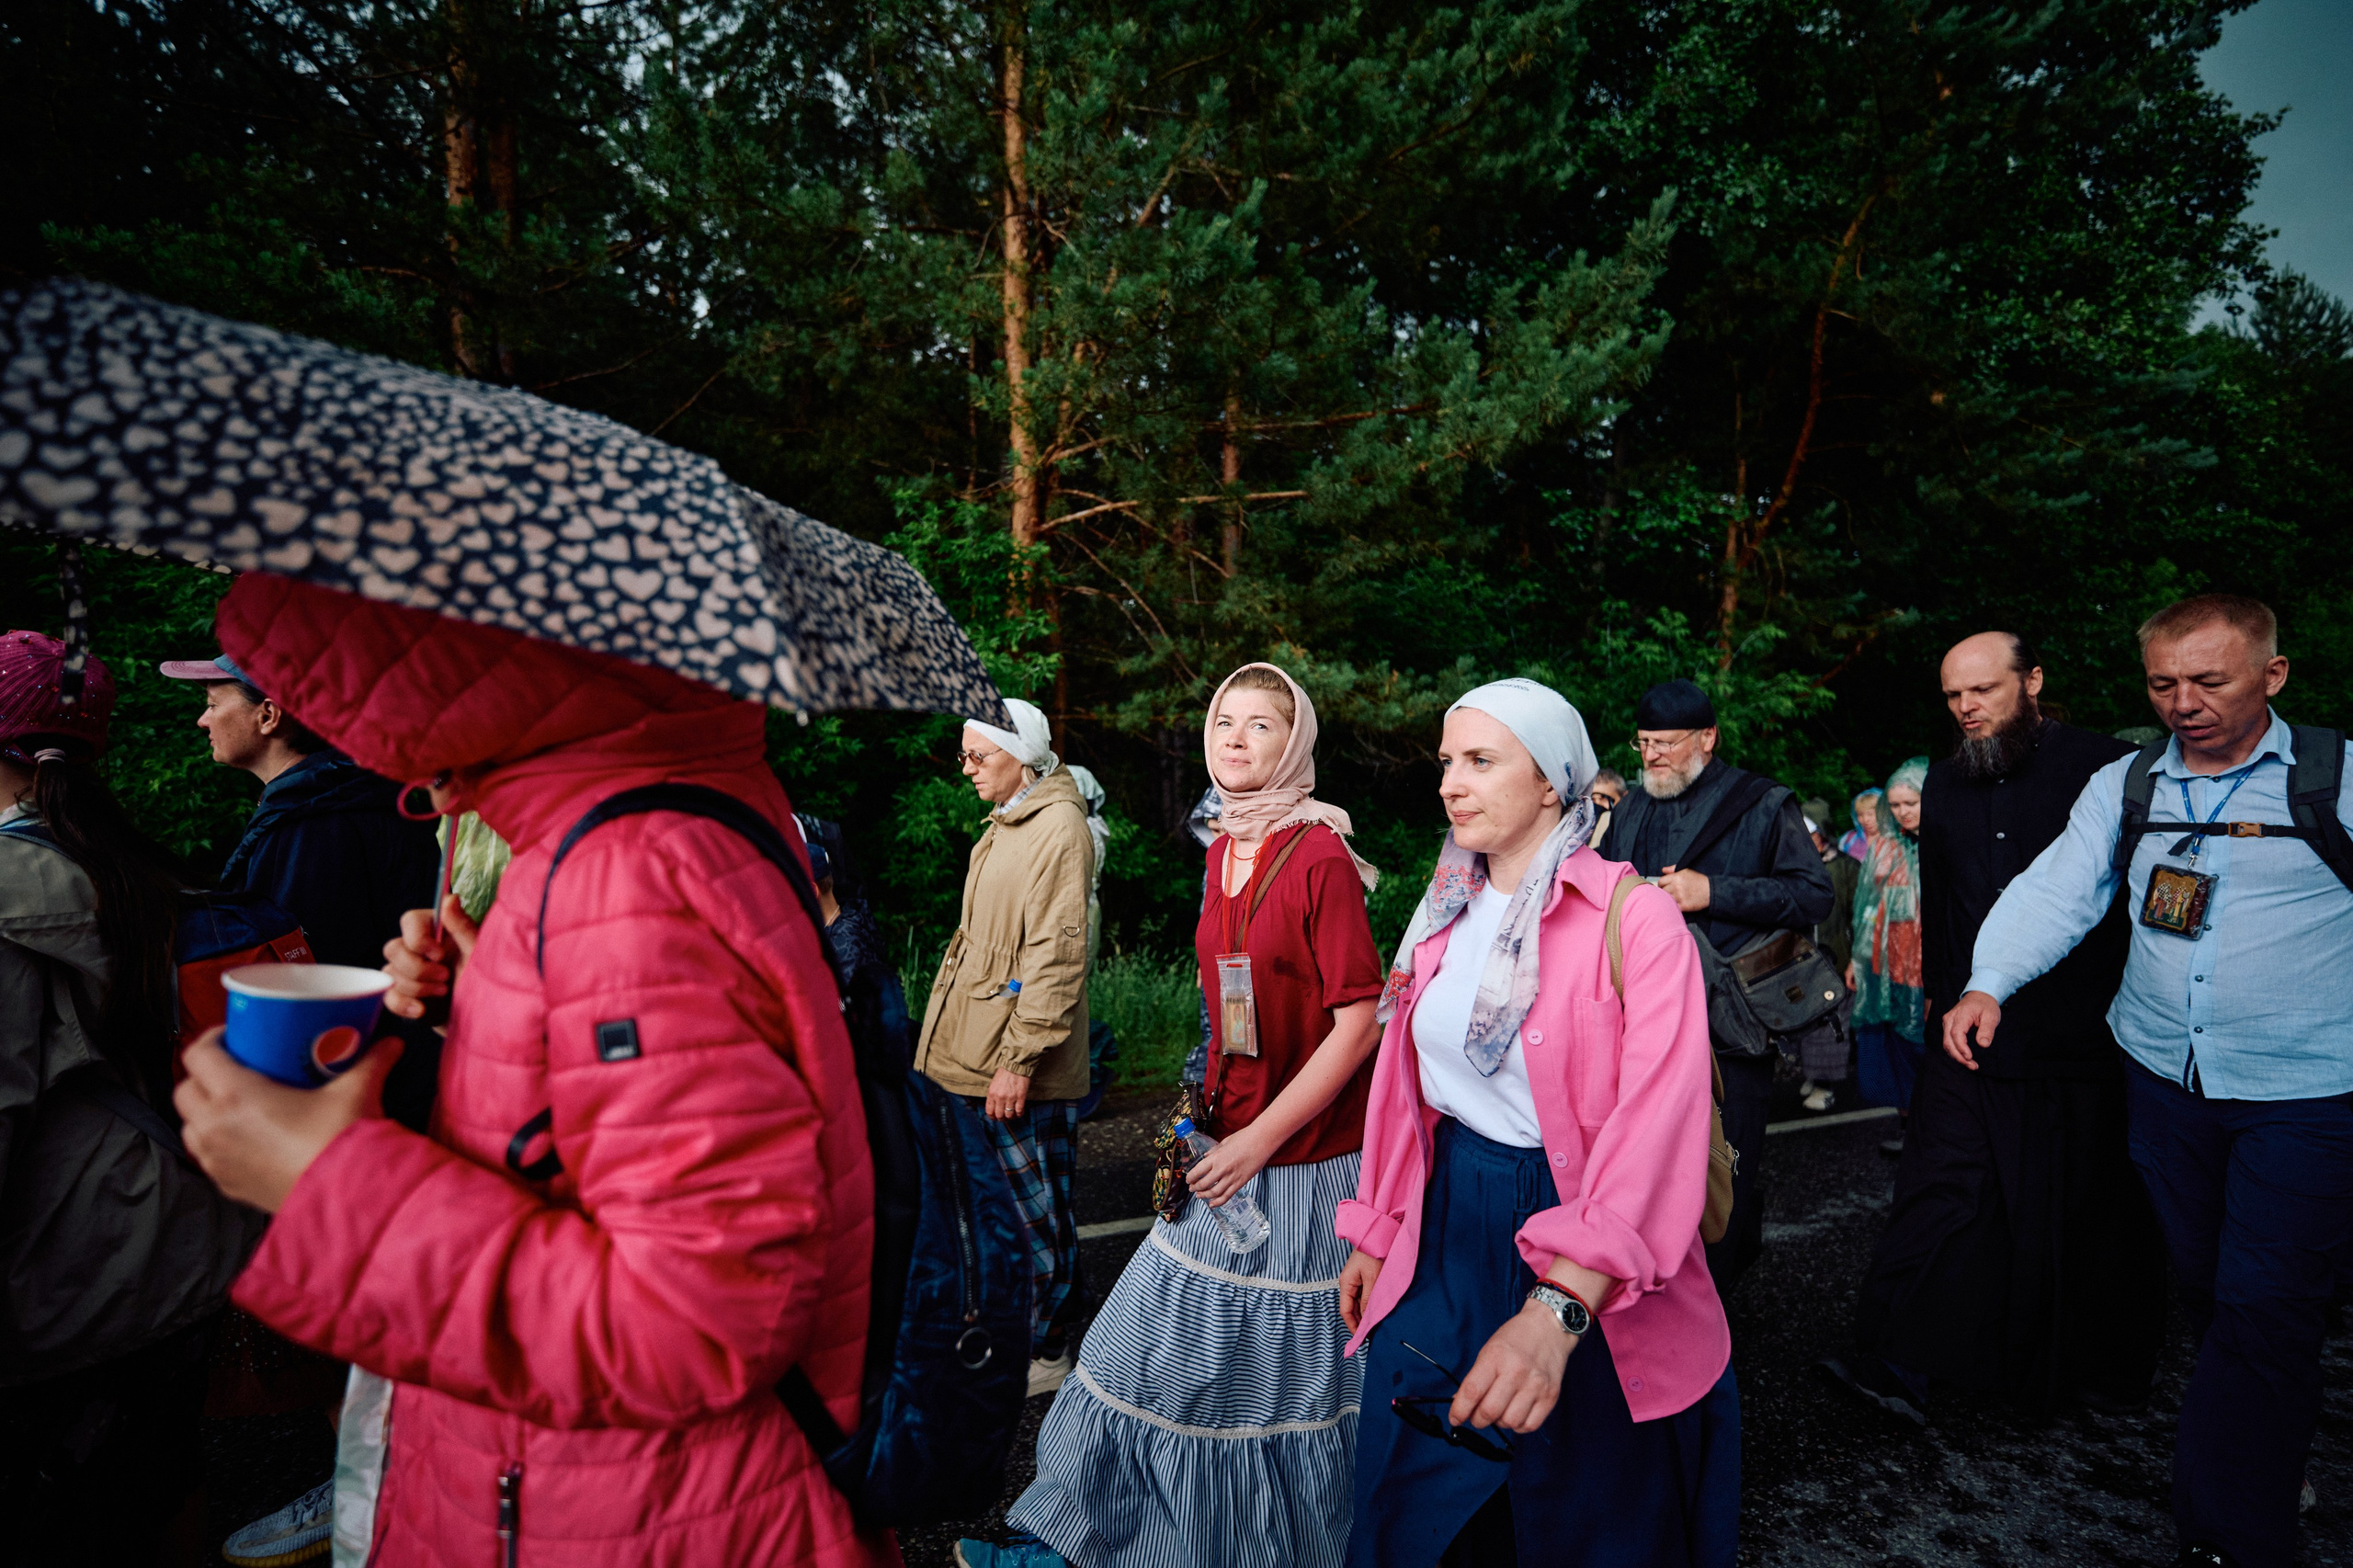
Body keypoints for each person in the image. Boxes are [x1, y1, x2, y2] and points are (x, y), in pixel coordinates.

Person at [168, 574, 890, 1566]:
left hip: (635, 1515)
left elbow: (699, 1319)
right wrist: (502, 1000)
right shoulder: (655, 801)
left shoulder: (629, 874)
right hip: (611, 1492)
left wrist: (327, 1183)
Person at [1943, 596, 2353, 1568]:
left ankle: (2230, 1531)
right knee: (2211, 1284)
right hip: (2163, 1076)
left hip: (2306, 1090)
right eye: (2163, 682)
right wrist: (1986, 980)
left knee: (2262, 1302)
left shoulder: (2332, 778)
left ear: (2273, 673)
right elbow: (2057, 889)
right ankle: (2265, 1435)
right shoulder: (2124, 784)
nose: (2184, 703)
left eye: (2210, 680)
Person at [973, 664, 1387, 1568]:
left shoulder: (1318, 853)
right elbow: (1223, 1006)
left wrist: (1256, 1139)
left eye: (1260, 725)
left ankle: (1263, 1545)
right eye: (1223, 720)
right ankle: (1078, 1536)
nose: (1234, 737)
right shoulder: (1218, 848)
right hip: (1222, 1139)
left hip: (1306, 1161)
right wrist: (1198, 1115)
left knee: (1269, 1383)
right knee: (1140, 1352)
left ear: (1296, 744)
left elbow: (1360, 1023)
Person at [1337, 677, 1736, 1567]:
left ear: (1551, 780)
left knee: (1586, 1505)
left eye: (1481, 760)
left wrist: (1560, 1304)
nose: (1450, 782)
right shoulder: (1441, 911)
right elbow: (1405, 1093)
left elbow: (1658, 1130)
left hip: (1589, 1229)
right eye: (1447, 761)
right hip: (1445, 1225)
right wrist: (1377, 1226)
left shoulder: (1636, 919)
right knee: (1413, 1492)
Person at [1824, 631, 2162, 1428]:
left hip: (2082, 1034)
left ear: (2033, 679)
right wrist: (1943, 998)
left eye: (1984, 690)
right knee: (1941, 1184)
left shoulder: (2112, 769)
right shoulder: (1942, 784)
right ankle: (1900, 1359)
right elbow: (1944, 907)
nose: (1966, 708)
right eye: (1952, 696)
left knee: (2076, 1201)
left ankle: (2081, 1373)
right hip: (1967, 1029)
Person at [0, 631, 263, 1565]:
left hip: (75, 1273)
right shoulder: (144, 866)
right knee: (156, 1484)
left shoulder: (9, 886)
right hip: (181, 1240)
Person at [1597, 677, 1835, 1293]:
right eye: (1643, 742)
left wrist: (1714, 892)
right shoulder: (1629, 809)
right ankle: (1660, 1308)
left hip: (1733, 1025)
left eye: (1666, 744)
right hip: (1645, 1026)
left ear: (1707, 738)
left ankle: (1717, 1313)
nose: (1650, 757)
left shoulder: (1761, 803)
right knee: (1653, 1175)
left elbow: (1814, 893)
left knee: (1728, 1174)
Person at [160, 652, 441, 1126]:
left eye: (213, 702)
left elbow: (299, 974)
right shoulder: (350, 798)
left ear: (268, 715)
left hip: (346, 1094)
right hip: (394, 1076)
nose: (201, 719)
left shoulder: (313, 826)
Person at [917, 696, 1095, 1397]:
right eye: (965, 755)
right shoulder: (1010, 820)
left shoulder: (1055, 828)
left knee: (1034, 1212)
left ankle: (1048, 1353)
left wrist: (1018, 1061)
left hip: (1013, 1061)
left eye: (977, 755)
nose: (965, 768)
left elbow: (1055, 956)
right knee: (997, 1211)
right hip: (978, 1049)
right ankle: (1017, 1335)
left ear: (1019, 756)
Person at [1849, 758, 1928, 1144]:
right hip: (1889, 959)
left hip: (1929, 962)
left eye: (1911, 803)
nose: (1902, 813)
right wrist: (1858, 960)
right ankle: (1909, 1125)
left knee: (1925, 1042)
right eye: (1895, 806)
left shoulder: (1945, 842)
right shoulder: (1884, 847)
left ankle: (1938, 1128)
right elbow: (1868, 909)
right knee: (1895, 1041)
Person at [1795, 798, 1859, 1112]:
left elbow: (1858, 918)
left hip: (1837, 960)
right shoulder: (1793, 869)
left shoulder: (1846, 868)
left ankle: (1826, 1085)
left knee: (1832, 1025)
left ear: (1823, 835)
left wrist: (1856, 961)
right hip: (1801, 963)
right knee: (1806, 1025)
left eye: (1810, 834)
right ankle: (1813, 1075)